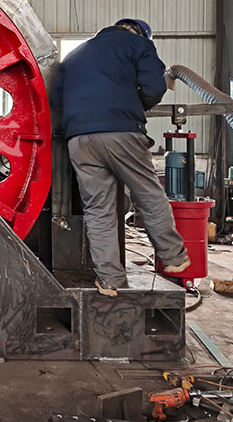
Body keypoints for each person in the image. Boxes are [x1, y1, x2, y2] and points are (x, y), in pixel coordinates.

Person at [50, 18, 191, 297]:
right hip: (122, 132)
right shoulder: (139, 45)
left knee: (98, 209)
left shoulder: (75, 55)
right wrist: (134, 104)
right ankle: (173, 257)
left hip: (79, 139)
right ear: (139, 33)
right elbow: (154, 88)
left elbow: (56, 101)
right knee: (148, 193)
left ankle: (110, 279)